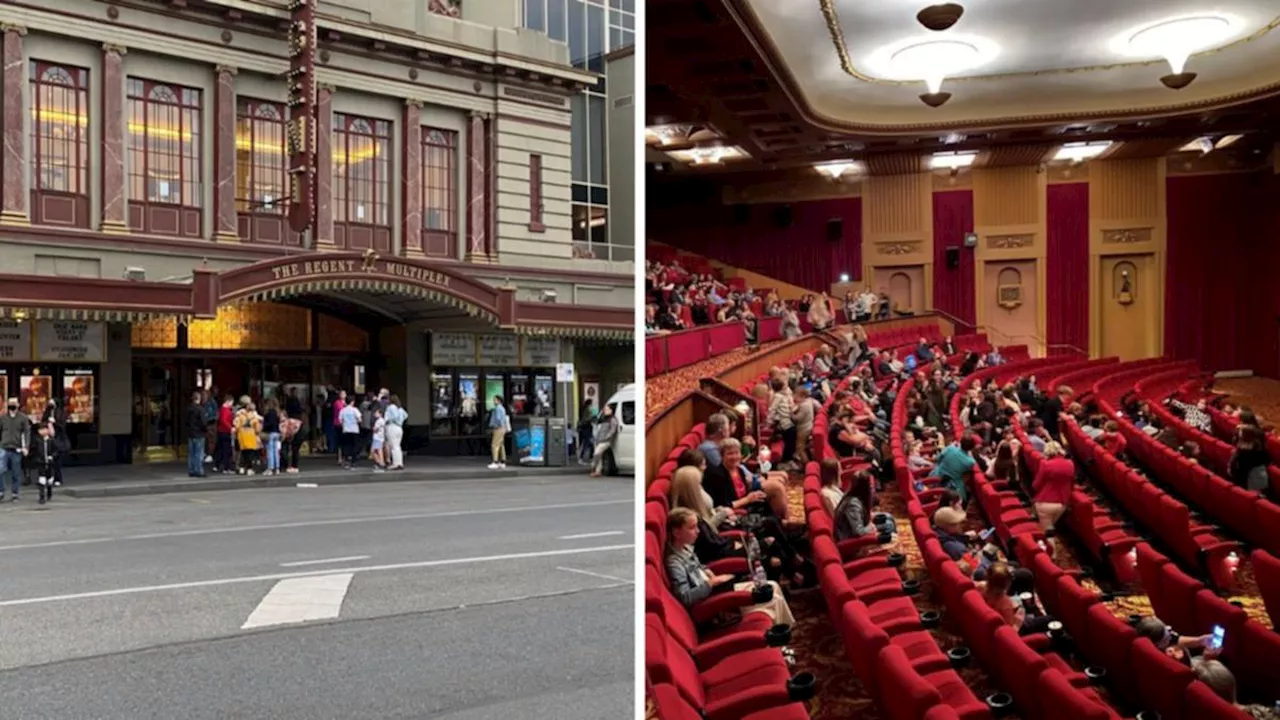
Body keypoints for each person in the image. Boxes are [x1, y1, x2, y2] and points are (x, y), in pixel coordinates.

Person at [664, 507, 795, 625]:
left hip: (718, 589)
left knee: (773, 586)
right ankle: (781, 639)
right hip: (712, 603)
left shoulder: (686, 548)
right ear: (677, 533)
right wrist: (710, 583)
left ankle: (785, 633)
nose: (698, 531)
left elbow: (699, 566)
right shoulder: (674, 562)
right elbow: (685, 597)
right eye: (692, 528)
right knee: (772, 598)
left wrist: (706, 570)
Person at [1032, 441, 1074, 555]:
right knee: (1048, 526)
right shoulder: (1070, 463)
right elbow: (1071, 483)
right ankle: (1045, 548)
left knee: (1048, 530)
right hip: (1062, 502)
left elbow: (1036, 484)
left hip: (1045, 501)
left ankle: (1051, 555)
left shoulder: (1046, 464)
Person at [930, 436, 978, 506]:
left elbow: (937, 459)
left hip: (935, 478)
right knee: (964, 497)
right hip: (953, 486)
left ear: (960, 442)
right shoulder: (971, 461)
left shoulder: (950, 448)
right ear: (972, 448)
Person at [0, 399, 29, 502]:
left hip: (16, 448)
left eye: (14, 404)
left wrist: (26, 447)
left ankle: (15, 493)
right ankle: (1, 491)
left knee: (16, 472)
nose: (12, 405)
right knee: (0, 470)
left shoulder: (23, 418)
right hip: (4, 447)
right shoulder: (3, 418)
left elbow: (26, 433)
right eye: (10, 404)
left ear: (18, 404)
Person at [590, 403, 620, 477]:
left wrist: (607, 437)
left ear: (611, 410)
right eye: (604, 409)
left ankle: (593, 468)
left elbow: (613, 430)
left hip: (605, 441)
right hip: (599, 439)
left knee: (597, 453)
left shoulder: (612, 419)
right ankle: (598, 471)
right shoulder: (603, 419)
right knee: (599, 455)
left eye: (607, 409)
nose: (605, 411)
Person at [234, 402, 262, 475]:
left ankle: (242, 468)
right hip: (251, 435)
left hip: (242, 435)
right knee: (250, 453)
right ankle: (249, 468)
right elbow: (257, 428)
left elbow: (236, 425)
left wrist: (237, 432)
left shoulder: (240, 415)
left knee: (243, 453)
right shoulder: (254, 416)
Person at [186, 391, 208, 478]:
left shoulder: (188, 409)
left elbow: (186, 422)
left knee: (191, 453)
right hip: (199, 433)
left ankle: (191, 470)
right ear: (199, 399)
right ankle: (199, 470)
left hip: (191, 433)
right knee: (199, 453)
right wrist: (205, 430)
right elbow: (203, 422)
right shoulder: (200, 409)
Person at [33, 423, 56, 505]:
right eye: (41, 430)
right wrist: (37, 459)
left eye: (44, 429)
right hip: (41, 462)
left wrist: (52, 456)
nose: (43, 431)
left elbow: (55, 451)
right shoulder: (37, 440)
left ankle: (49, 492)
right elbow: (34, 451)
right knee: (41, 479)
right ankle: (42, 497)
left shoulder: (51, 440)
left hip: (50, 463)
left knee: (49, 479)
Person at [383, 394, 407, 470]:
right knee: (397, 446)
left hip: (392, 426)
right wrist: (400, 421)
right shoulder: (399, 408)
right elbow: (406, 415)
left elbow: (394, 417)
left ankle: (395, 464)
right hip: (399, 428)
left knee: (393, 446)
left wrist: (388, 420)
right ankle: (399, 463)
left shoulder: (391, 407)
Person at [488, 394, 509, 470]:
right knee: (501, 445)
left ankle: (495, 462)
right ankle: (503, 462)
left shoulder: (498, 408)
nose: (494, 401)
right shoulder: (502, 408)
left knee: (494, 445)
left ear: (498, 400)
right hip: (503, 428)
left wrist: (496, 426)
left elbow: (498, 419)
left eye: (495, 399)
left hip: (498, 428)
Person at [215, 396, 235, 474]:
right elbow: (224, 420)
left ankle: (217, 465)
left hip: (221, 431)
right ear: (228, 401)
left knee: (221, 449)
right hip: (225, 431)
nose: (231, 405)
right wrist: (230, 428)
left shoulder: (222, 409)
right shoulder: (225, 410)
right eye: (231, 403)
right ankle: (226, 468)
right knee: (227, 450)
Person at [262, 398, 282, 476]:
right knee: (275, 451)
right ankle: (277, 468)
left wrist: (263, 427)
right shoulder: (277, 413)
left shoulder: (269, 413)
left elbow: (269, 423)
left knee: (270, 451)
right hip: (277, 433)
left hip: (270, 433)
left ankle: (270, 468)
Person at [370, 407, 387, 472]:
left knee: (373, 451)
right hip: (381, 437)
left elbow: (375, 429)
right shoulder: (383, 420)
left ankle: (380, 462)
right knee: (379, 450)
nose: (375, 414)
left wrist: (373, 428)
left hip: (377, 437)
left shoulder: (378, 421)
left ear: (380, 414)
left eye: (376, 413)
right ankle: (381, 462)